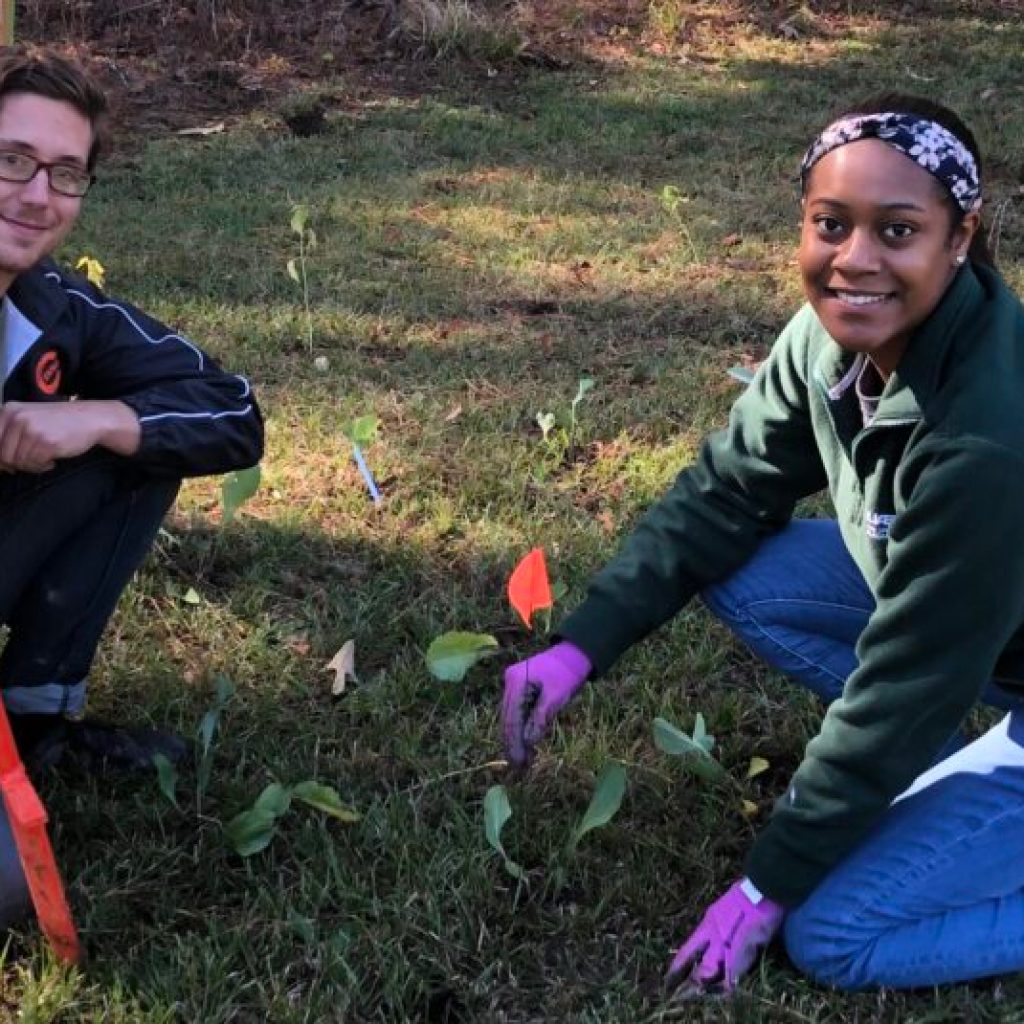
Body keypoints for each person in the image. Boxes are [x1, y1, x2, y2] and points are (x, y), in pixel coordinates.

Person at [501, 93, 1024, 993]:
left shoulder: (986, 442)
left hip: (957, 647)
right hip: (987, 636)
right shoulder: (830, 338)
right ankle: (943, 774)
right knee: (751, 569)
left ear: (960, 237)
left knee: (832, 934)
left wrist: (765, 885)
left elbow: (906, 684)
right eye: (832, 224)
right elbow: (725, 494)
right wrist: (580, 648)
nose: (855, 260)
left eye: (898, 231)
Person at [0, 51, 263, 925]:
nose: (37, 195)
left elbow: (230, 409)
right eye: (11, 159)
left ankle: (35, 724)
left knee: (136, 442)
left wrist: (98, 419)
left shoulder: (57, 304)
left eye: (65, 172)